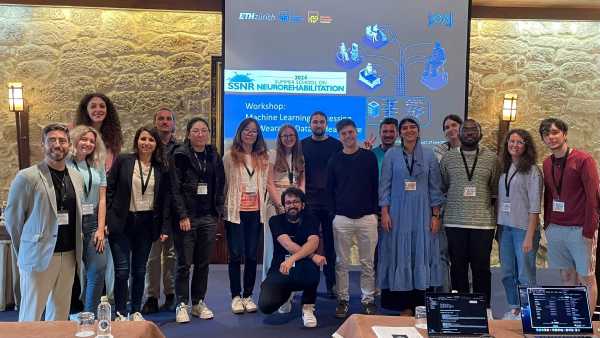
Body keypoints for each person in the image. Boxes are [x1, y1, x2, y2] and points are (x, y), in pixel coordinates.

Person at [5, 123, 85, 321]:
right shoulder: (27, 177)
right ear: (43, 144)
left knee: (59, 314)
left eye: (62, 140)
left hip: (68, 256)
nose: (57, 145)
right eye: (52, 140)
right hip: (38, 256)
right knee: (30, 316)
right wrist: (26, 249)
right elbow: (13, 220)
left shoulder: (76, 176)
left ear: (69, 145)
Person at [378, 117, 444, 315]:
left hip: (422, 213)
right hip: (397, 213)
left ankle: (419, 305)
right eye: (404, 128)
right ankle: (402, 305)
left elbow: (435, 187)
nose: (409, 130)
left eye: (412, 127)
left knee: (420, 253)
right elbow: (385, 186)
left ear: (418, 130)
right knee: (399, 253)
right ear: (400, 133)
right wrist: (385, 212)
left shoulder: (430, 155)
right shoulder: (391, 154)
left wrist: (435, 215)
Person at [107, 126, 170, 319]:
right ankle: (120, 311)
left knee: (140, 270)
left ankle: (135, 310)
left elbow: (165, 200)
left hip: (146, 223)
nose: (146, 143)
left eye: (151, 140)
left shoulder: (161, 168)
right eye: (143, 139)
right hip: (122, 222)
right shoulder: (124, 161)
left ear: (156, 144)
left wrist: (164, 227)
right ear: (137, 141)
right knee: (122, 271)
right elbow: (109, 190)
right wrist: (108, 220)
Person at [539, 118, 600, 315]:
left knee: (586, 278)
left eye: (555, 132)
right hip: (556, 228)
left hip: (580, 229)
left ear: (564, 134)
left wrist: (589, 231)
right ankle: (572, 320)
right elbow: (549, 195)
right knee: (566, 276)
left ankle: (587, 323)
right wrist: (547, 224)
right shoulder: (547, 163)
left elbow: (593, 198)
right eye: (547, 134)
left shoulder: (584, 160)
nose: (551, 137)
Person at [170, 117, 225, 323]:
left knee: (203, 263)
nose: (200, 134)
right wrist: (182, 215)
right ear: (188, 133)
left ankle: (198, 302)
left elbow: (220, 183)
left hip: (208, 217)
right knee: (184, 263)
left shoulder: (212, 154)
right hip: (187, 218)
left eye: (204, 130)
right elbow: (175, 188)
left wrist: (217, 211)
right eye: (196, 131)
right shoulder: (181, 154)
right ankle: (181, 304)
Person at [440, 118, 498, 310]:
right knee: (457, 268)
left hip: (483, 224)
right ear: (460, 133)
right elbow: (444, 185)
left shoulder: (492, 158)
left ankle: (484, 309)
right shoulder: (448, 158)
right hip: (455, 222)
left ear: (480, 134)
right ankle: (461, 308)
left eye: (474, 130)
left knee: (481, 270)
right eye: (466, 130)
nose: (470, 133)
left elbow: (495, 189)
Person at [327, 119, 379, 317]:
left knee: (368, 262)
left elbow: (375, 186)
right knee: (342, 263)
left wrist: (374, 212)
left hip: (367, 218)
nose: (348, 136)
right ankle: (343, 300)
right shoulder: (334, 160)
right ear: (340, 137)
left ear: (356, 132)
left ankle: (368, 300)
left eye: (351, 132)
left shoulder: (369, 157)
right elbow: (330, 190)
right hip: (342, 219)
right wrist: (335, 214)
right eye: (344, 134)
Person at [258, 187, 326, 328]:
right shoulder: (275, 221)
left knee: (313, 272)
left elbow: (313, 242)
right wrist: (313, 256)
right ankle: (286, 295)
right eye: (288, 202)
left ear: (302, 205)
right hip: (281, 267)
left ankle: (307, 307)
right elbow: (287, 244)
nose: (291, 205)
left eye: (295, 202)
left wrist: (292, 259)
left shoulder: (311, 219)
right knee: (266, 306)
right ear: (284, 205)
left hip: (303, 266)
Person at [223, 117, 268, 314]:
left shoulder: (262, 157)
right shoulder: (229, 156)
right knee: (235, 254)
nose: (250, 134)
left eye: (254, 131)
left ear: (258, 135)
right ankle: (235, 296)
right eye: (247, 130)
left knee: (251, 255)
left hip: (256, 212)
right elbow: (224, 185)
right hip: (235, 212)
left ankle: (248, 295)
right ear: (240, 132)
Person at [496, 129, 542, 320]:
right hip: (505, 228)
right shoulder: (505, 168)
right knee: (507, 272)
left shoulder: (532, 171)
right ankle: (515, 307)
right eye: (511, 141)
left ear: (526, 146)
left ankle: (530, 312)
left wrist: (529, 236)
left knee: (525, 273)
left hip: (523, 229)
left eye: (519, 142)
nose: (514, 145)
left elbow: (534, 207)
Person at [67, 126, 109, 314]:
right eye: (84, 139)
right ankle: (66, 315)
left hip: (92, 224)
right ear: (75, 139)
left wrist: (100, 228)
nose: (88, 144)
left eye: (92, 141)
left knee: (98, 269)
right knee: (68, 274)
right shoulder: (65, 163)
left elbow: (102, 199)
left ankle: (90, 314)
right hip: (70, 223)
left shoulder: (97, 164)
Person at [301, 111, 342, 298]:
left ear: (327, 124)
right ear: (310, 124)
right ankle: (309, 284)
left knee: (331, 246)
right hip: (308, 203)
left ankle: (332, 284)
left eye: (322, 122)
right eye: (315, 122)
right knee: (308, 245)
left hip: (331, 203)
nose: (318, 125)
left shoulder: (336, 145)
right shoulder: (302, 145)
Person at [142, 108, 178, 314]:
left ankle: (171, 294)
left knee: (171, 256)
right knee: (152, 257)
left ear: (173, 124)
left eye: (168, 119)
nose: (165, 122)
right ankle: (152, 296)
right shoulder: (150, 148)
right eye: (161, 119)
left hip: (174, 211)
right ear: (155, 123)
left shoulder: (181, 148)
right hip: (152, 211)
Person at [263, 124, 305, 279]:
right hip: (276, 202)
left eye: (291, 136)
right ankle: (270, 280)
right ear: (280, 138)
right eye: (285, 136)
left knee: (291, 244)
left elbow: (302, 183)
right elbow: (269, 183)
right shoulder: (272, 154)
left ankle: (288, 283)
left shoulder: (300, 157)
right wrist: (280, 205)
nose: (288, 139)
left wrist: (299, 203)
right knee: (273, 245)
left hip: (294, 204)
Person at [433, 114, 463, 293]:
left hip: (465, 213)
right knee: (441, 255)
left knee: (461, 257)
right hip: (444, 210)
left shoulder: (476, 151)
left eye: (454, 125)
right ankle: (443, 295)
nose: (450, 129)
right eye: (446, 127)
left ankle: (462, 295)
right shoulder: (439, 150)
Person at [75, 93, 123, 172]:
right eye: (93, 106)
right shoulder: (77, 134)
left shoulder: (113, 136)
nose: (98, 110)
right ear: (86, 110)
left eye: (102, 106)